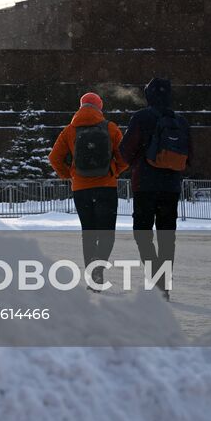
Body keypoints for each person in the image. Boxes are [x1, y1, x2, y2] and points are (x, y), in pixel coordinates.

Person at [119, 78, 191, 300]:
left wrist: (137, 162)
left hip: (145, 185)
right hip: (171, 187)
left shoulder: (141, 118)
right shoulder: (180, 121)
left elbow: (125, 151)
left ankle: (157, 279)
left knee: (142, 234)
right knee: (167, 237)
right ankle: (164, 284)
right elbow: (189, 157)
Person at [49, 92, 126, 290]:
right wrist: (113, 171)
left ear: (81, 106)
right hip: (106, 187)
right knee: (107, 233)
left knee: (89, 232)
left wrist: (70, 175)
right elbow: (125, 157)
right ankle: (99, 266)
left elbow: (54, 158)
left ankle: (93, 279)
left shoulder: (69, 130)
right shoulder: (110, 128)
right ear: (100, 108)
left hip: (81, 189)